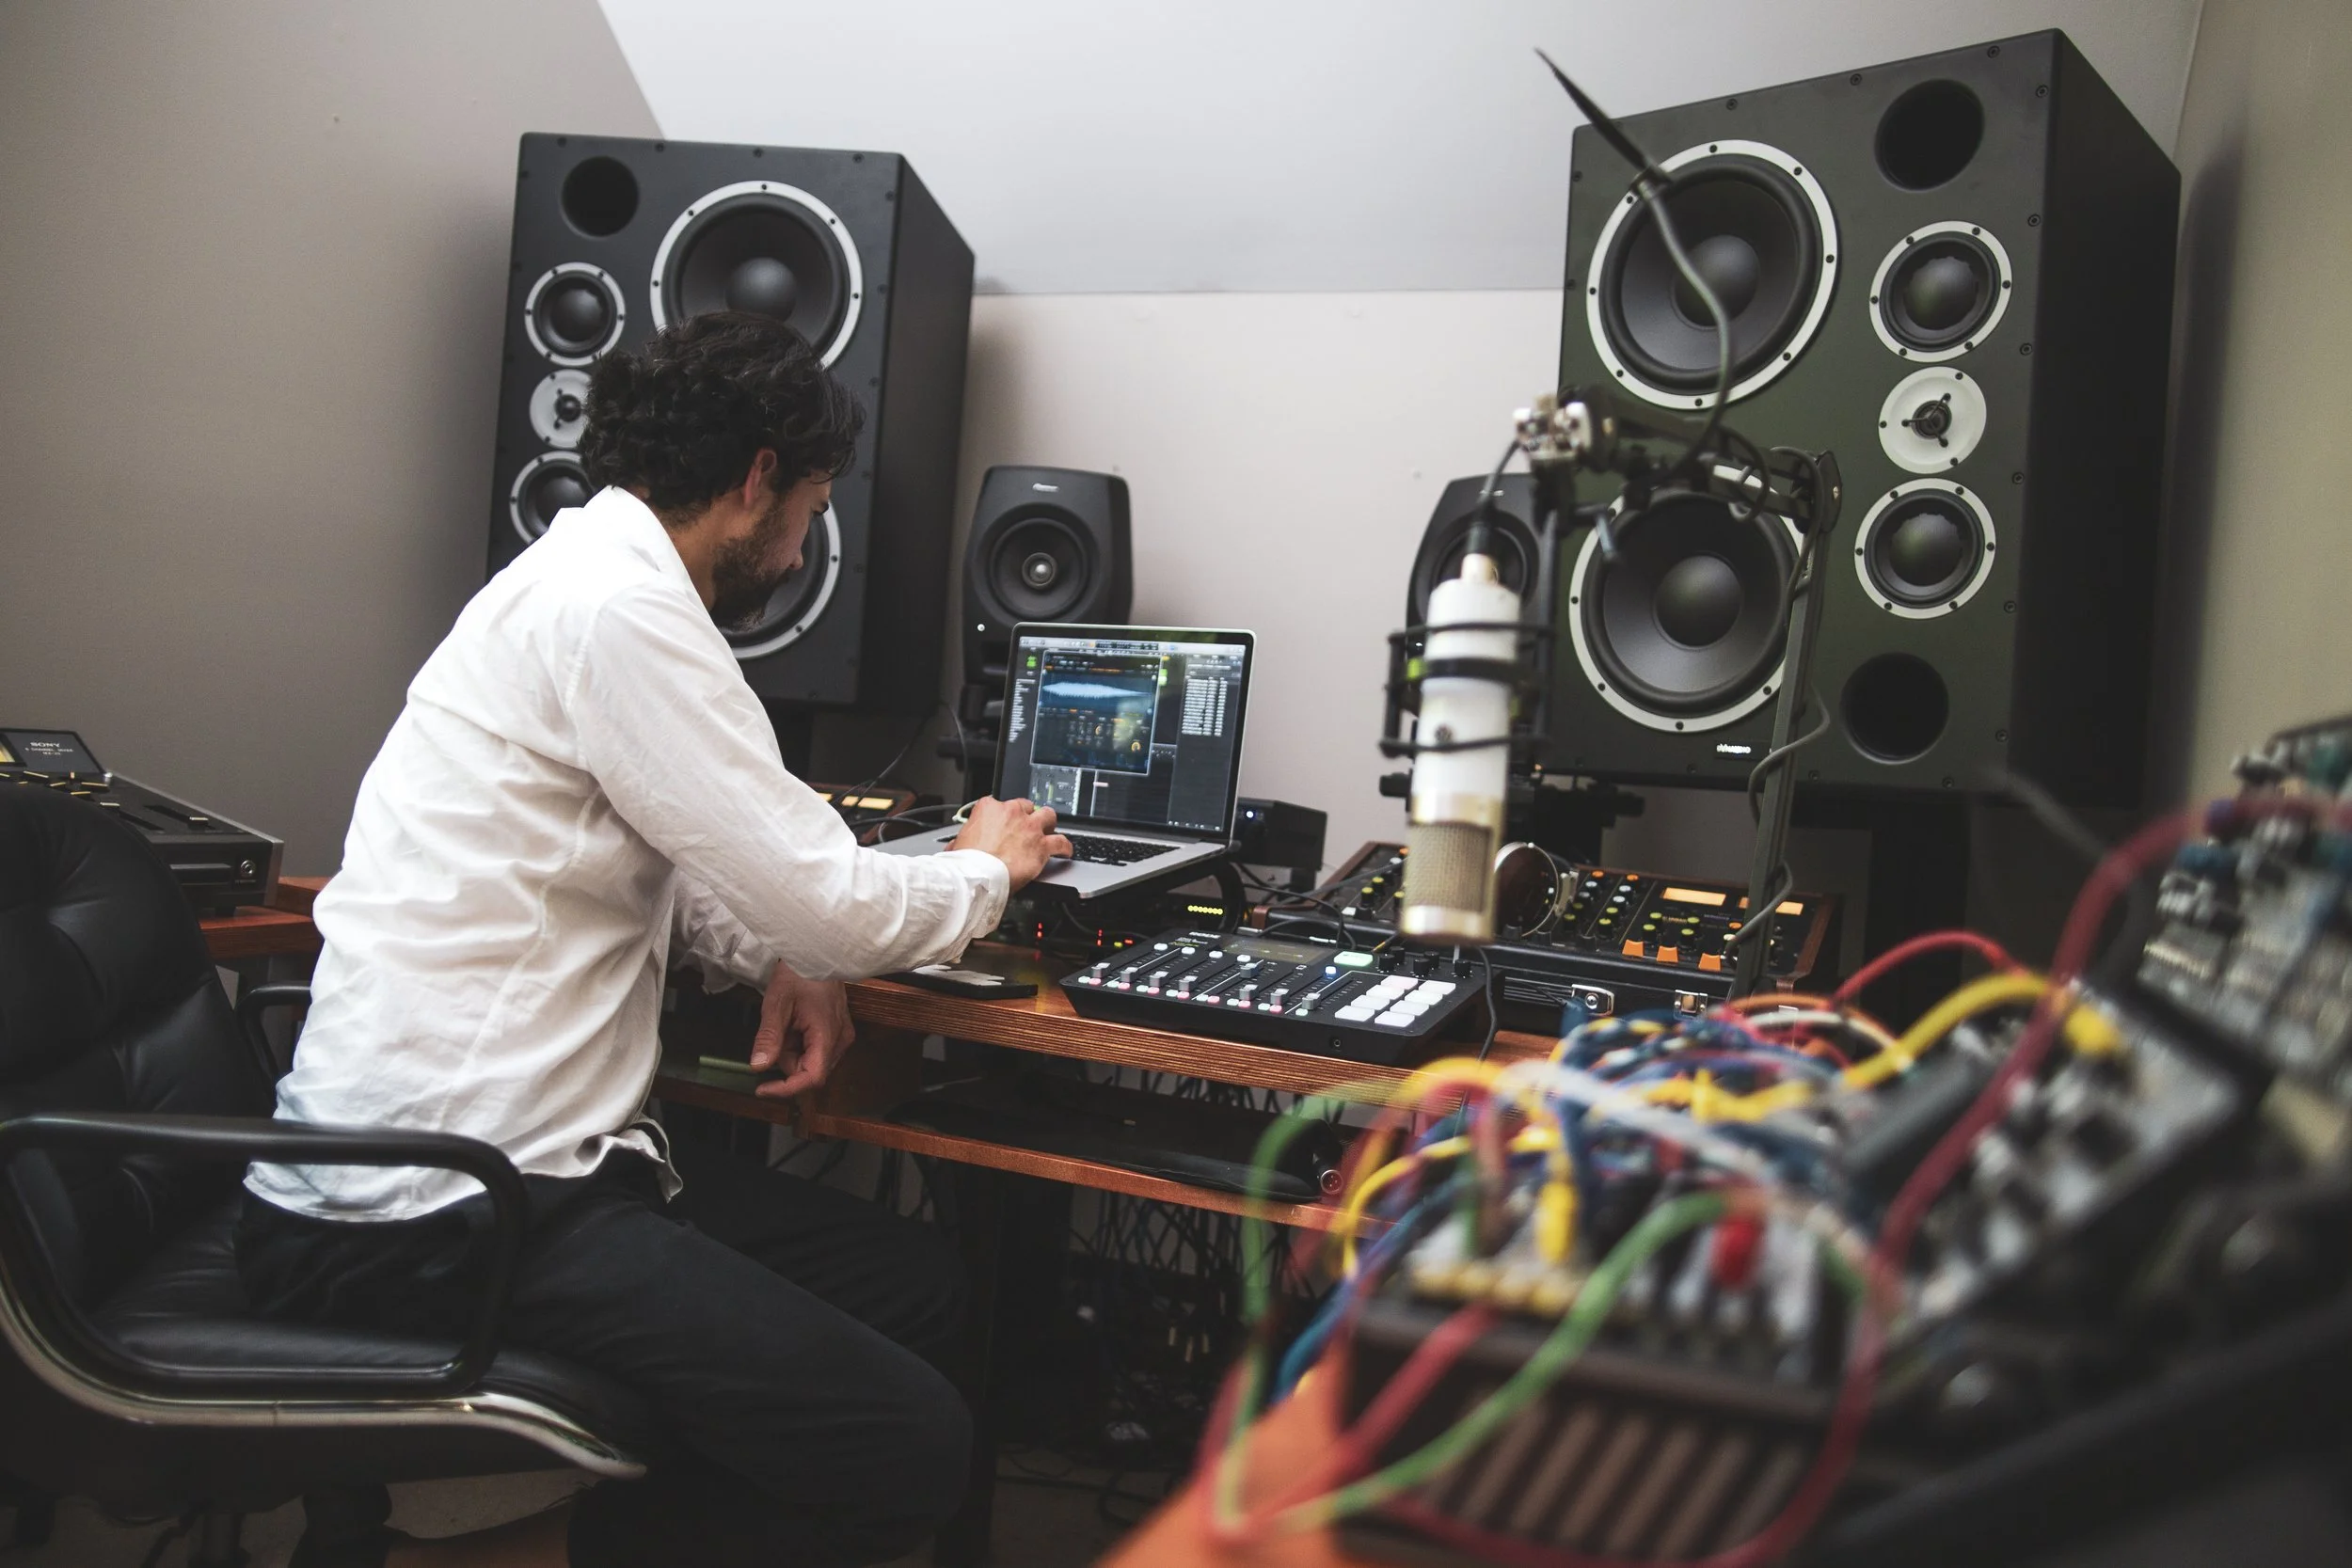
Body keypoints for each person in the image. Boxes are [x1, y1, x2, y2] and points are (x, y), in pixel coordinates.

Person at [237, 310, 1072, 1568]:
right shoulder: (623, 609)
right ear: (757, 481)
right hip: (438, 1213)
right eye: (811, 507)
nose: (802, 547)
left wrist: (785, 956)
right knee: (909, 1444)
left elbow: (663, 870)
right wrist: (981, 869)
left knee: (918, 1283)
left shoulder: (570, 579)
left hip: (478, 1176)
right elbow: (833, 897)